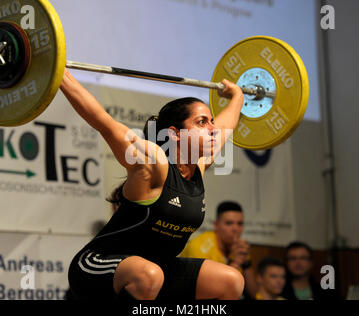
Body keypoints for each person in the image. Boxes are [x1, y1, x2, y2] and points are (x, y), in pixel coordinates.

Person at [61, 68, 245, 300]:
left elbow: (227, 126)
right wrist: (59, 74)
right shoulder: (154, 164)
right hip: (97, 266)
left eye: (211, 122)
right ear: (175, 134)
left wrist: (237, 96)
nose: (212, 129)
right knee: (149, 275)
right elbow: (103, 122)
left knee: (231, 281)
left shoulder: (198, 166)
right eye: (202, 122)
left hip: (156, 270)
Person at [181, 201, 258, 299]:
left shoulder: (238, 247)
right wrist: (236, 262)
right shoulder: (199, 247)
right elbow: (208, 293)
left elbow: (255, 294)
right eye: (229, 223)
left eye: (240, 224)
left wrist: (246, 262)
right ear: (216, 225)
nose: (235, 229)